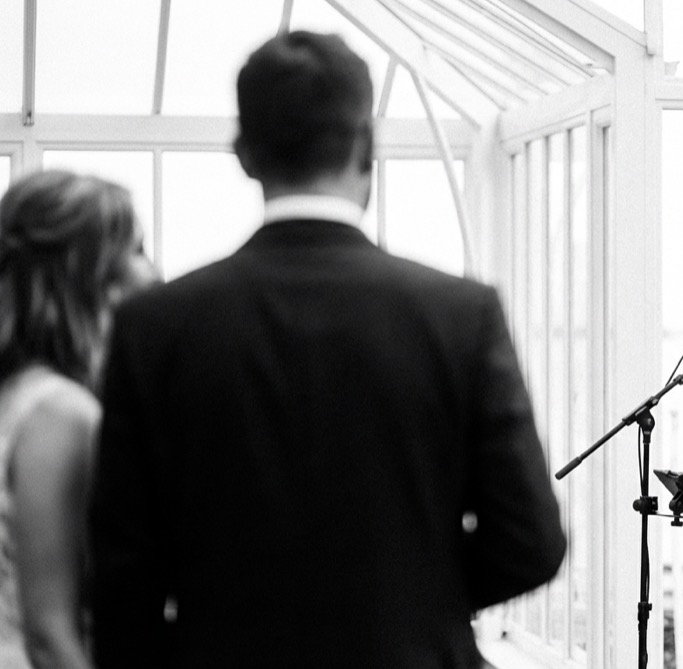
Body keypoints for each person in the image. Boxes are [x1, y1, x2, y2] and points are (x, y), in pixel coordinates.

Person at [88, 31, 566, 669]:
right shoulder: (460, 315)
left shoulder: (154, 326)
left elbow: (123, 575)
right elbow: (530, 542)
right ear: (366, 146)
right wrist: (411, 598)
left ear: (243, 154)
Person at [0, 170, 154, 669]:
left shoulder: (17, 394)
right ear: (86, 271)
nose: (149, 271)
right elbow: (48, 633)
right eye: (135, 250)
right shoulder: (59, 412)